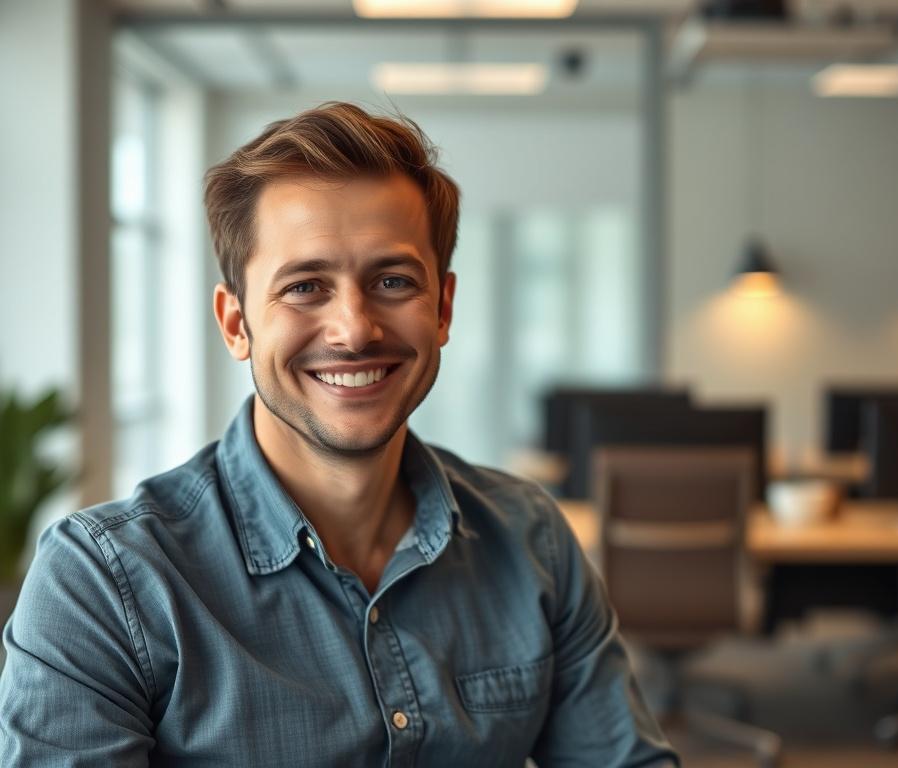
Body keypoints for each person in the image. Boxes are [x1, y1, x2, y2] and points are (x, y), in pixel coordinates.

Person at [0, 102, 678, 767]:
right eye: (305, 287)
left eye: (391, 280)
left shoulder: (531, 540)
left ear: (442, 309)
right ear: (236, 324)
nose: (355, 329)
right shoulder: (103, 583)